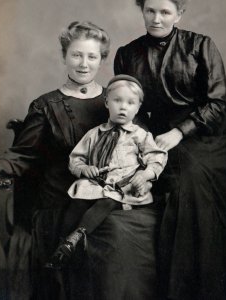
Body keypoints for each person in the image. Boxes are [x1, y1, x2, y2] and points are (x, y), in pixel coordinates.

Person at [0, 21, 162, 300]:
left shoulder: (120, 99)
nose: (83, 64)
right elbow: (23, 154)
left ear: (102, 60)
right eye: (76, 55)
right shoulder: (46, 105)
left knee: (141, 230)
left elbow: (145, 148)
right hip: (64, 201)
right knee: (112, 234)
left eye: (92, 56)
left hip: (117, 197)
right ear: (64, 56)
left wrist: (144, 176)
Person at [114, 0, 226, 299]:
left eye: (165, 12)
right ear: (142, 10)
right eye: (150, 10)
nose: (157, 18)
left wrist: (180, 132)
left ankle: (197, 290)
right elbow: (131, 106)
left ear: (179, 14)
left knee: (189, 183)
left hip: (211, 135)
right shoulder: (127, 54)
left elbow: (217, 103)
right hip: (158, 134)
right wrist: (142, 141)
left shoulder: (201, 46)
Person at [46, 74, 167, 269]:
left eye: (130, 103)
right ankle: (62, 247)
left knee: (107, 201)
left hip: (123, 187)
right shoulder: (95, 133)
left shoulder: (140, 135)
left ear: (138, 108)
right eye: (117, 100)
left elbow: (157, 157)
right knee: (76, 202)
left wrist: (145, 175)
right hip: (96, 183)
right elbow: (75, 159)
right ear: (106, 102)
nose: (123, 107)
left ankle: (75, 237)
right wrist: (85, 168)